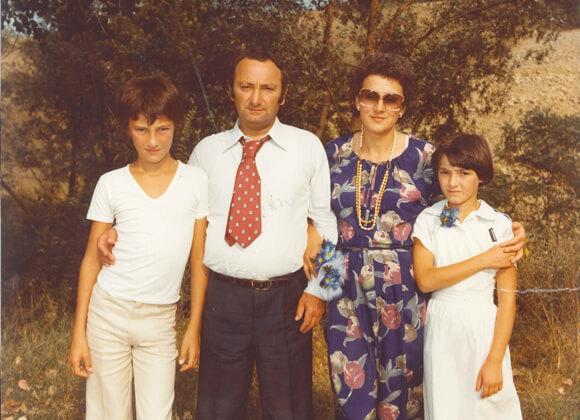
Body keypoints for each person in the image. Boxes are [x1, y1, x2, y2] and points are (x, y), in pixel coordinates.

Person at [98, 48, 338, 419]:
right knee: (217, 410)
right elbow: (173, 211)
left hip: (286, 300)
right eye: (246, 86)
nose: (256, 98)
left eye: (267, 88)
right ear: (231, 91)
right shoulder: (206, 152)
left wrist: (320, 291)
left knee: (289, 409)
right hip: (223, 300)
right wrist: (116, 230)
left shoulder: (307, 147)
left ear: (282, 94)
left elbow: (327, 223)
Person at [317, 52, 526, 419]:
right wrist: (322, 289)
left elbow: (455, 209)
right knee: (352, 396)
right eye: (370, 95)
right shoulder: (332, 155)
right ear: (357, 100)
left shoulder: (425, 157)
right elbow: (322, 225)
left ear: (402, 107)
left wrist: (508, 230)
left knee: (403, 399)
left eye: (391, 99)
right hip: (345, 292)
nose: (379, 106)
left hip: (407, 293)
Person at [68, 75, 209, 419]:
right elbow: (91, 261)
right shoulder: (111, 184)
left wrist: (194, 327)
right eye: (142, 130)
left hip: (159, 320)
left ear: (176, 126)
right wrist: (78, 333)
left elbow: (199, 262)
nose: (153, 140)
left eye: (162, 129)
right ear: (127, 129)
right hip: (108, 313)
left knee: (157, 413)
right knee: (109, 412)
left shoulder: (195, 182)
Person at [412, 134, 522, 419]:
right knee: (447, 408)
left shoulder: (499, 223)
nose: (453, 182)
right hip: (443, 329)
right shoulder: (429, 220)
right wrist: (485, 259)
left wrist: (494, 359)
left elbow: (507, 302)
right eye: (445, 173)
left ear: (481, 176)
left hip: (484, 330)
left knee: (490, 407)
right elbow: (426, 280)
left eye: (463, 173)